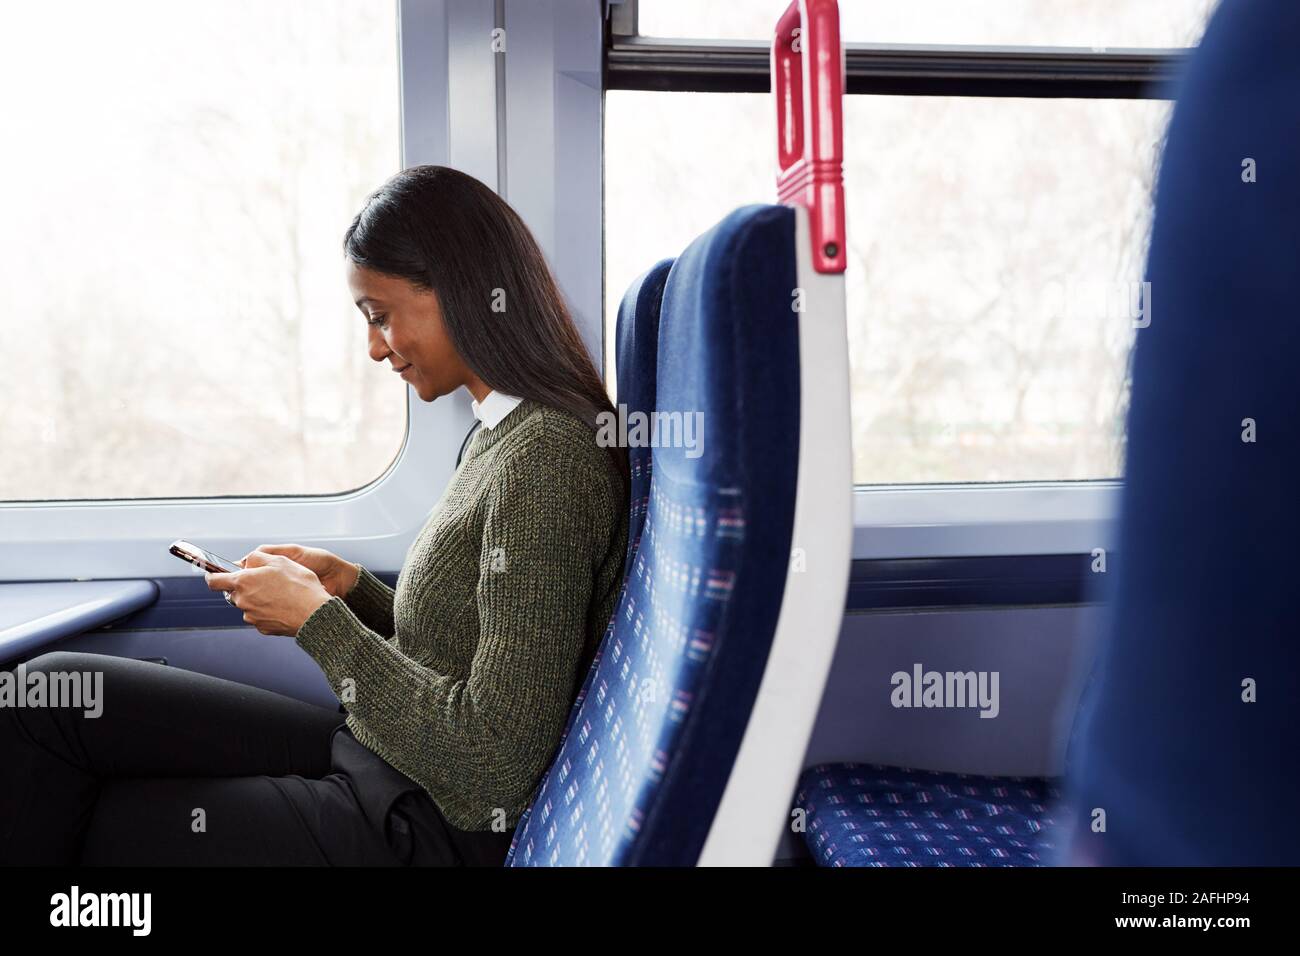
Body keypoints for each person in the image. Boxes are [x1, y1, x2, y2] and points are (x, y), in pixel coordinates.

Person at [0, 165, 630, 866]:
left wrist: (316, 624)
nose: (374, 348)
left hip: (429, 820)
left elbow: (493, 769)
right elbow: (471, 645)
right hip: (390, 752)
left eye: (381, 316)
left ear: (460, 291)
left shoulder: (548, 460)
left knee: (107, 821)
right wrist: (348, 587)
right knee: (40, 697)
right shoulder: (495, 433)